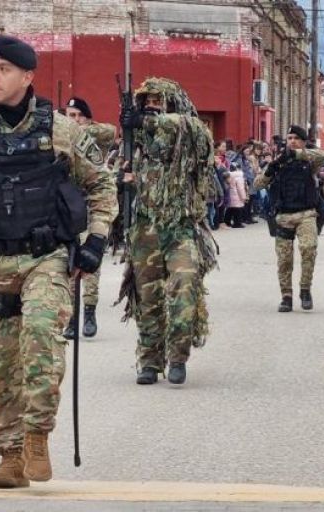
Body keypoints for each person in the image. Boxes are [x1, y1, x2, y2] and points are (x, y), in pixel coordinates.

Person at [0, 35, 117, 487]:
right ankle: (10, 455)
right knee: (0, 368)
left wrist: (95, 241)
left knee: (40, 332)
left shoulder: (60, 129)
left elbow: (101, 186)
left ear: (27, 77)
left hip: (47, 258)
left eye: (2, 68)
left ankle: (37, 433)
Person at [118, 77, 217, 386]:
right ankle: (149, 360)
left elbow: (189, 129)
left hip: (181, 228)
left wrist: (149, 121)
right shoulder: (137, 141)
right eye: (146, 102)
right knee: (147, 299)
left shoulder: (189, 132)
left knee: (184, 286)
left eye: (158, 102)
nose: (151, 106)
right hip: (146, 227)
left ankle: (178, 356)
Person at [62, 96, 117, 339]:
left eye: (77, 116)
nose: (72, 120)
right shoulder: (61, 137)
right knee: (67, 266)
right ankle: (71, 319)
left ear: (86, 118)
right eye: (69, 116)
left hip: (91, 207)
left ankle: (90, 312)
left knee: (89, 265)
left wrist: (82, 128)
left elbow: (111, 131)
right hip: (66, 210)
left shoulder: (93, 137)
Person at [255, 125, 324, 312]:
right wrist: (272, 167)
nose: (292, 141)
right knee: (284, 259)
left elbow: (322, 157)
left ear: (303, 142)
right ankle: (286, 295)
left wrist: (297, 154)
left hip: (306, 214)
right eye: (290, 138)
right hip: (284, 215)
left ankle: (305, 289)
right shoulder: (279, 161)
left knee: (309, 248)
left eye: (296, 138)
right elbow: (257, 184)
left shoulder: (309, 160)